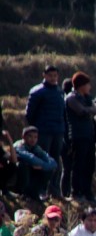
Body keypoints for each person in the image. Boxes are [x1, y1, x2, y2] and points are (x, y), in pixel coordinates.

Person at [26, 64, 67, 201]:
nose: (53, 78)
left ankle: (55, 191)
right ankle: (40, 190)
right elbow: (29, 114)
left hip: (58, 132)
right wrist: (35, 130)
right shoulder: (37, 92)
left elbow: (63, 113)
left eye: (55, 75)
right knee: (42, 161)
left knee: (56, 161)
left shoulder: (60, 92)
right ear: (44, 75)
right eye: (50, 75)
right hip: (43, 132)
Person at [63, 72, 96, 201]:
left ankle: (87, 192)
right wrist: (93, 110)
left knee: (89, 165)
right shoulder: (71, 98)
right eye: (88, 84)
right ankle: (76, 192)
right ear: (81, 85)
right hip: (78, 136)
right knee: (78, 165)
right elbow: (82, 111)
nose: (90, 87)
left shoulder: (86, 98)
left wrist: (93, 109)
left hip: (89, 135)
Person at [14, 126, 58, 202]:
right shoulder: (19, 146)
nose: (33, 139)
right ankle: (22, 193)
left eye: (35, 137)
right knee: (23, 165)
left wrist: (42, 167)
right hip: (17, 175)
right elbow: (30, 158)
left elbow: (53, 163)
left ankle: (34, 193)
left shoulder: (36, 148)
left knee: (49, 170)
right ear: (23, 137)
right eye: (30, 136)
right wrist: (43, 165)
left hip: (31, 173)